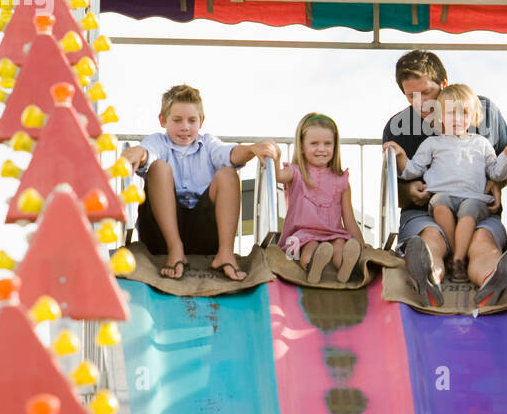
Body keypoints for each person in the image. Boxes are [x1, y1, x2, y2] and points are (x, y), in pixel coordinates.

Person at [381, 50, 507, 308]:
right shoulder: (397, 126)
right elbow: (394, 185)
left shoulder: (484, 111)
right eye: (411, 95)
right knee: (430, 240)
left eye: (426, 92)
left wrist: (497, 182)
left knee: (482, 244)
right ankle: (429, 277)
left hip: (477, 208)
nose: (420, 102)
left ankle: (492, 279)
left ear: (444, 84)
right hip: (427, 211)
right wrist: (409, 191)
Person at [121, 84, 279, 282]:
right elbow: (147, 151)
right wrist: (139, 153)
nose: (185, 126)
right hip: (162, 234)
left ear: (201, 121)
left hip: (203, 234)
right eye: (177, 120)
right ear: (162, 120)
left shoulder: (209, 144)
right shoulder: (158, 142)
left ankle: (225, 254)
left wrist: (252, 149)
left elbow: (229, 154)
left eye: (191, 120)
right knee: (159, 167)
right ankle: (175, 249)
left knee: (228, 174)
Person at [277, 113, 365, 285]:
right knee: (310, 246)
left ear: (335, 146)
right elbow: (278, 176)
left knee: (340, 244)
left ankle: (345, 269)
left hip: (333, 234)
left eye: (327, 144)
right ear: (302, 146)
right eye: (314, 144)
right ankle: (313, 266)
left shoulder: (341, 180)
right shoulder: (296, 173)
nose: (321, 149)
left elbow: (349, 219)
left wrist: (361, 243)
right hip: (302, 235)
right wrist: (273, 156)